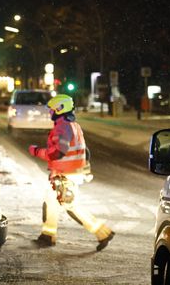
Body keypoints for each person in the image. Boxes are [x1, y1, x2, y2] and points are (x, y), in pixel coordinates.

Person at [28, 95, 114, 251]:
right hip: (67, 173)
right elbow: (85, 151)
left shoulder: (62, 128)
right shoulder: (74, 125)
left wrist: (36, 151)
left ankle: (103, 232)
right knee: (51, 202)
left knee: (71, 206)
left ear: (59, 109)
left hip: (66, 175)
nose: (50, 113)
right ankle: (47, 236)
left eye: (52, 110)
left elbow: (58, 152)